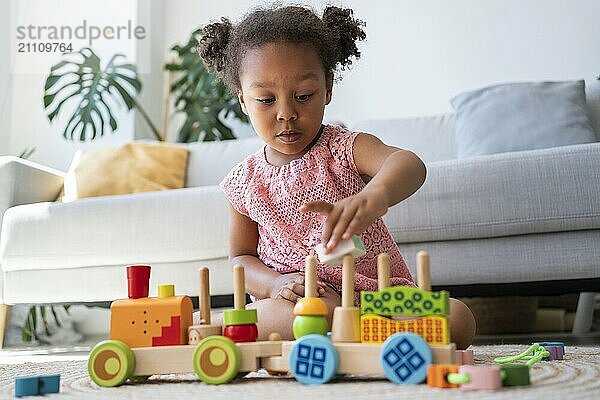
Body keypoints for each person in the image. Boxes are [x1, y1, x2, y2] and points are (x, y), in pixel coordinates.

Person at [196, 5, 475, 349]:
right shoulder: (243, 183)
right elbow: (241, 258)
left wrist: (375, 196)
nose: (286, 113)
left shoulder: (344, 148)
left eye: (303, 96)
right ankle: (213, 325)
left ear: (328, 88)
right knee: (293, 316)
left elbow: (409, 164)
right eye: (266, 99)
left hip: (378, 299)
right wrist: (273, 284)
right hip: (301, 300)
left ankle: (355, 336)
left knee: (459, 319)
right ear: (243, 100)